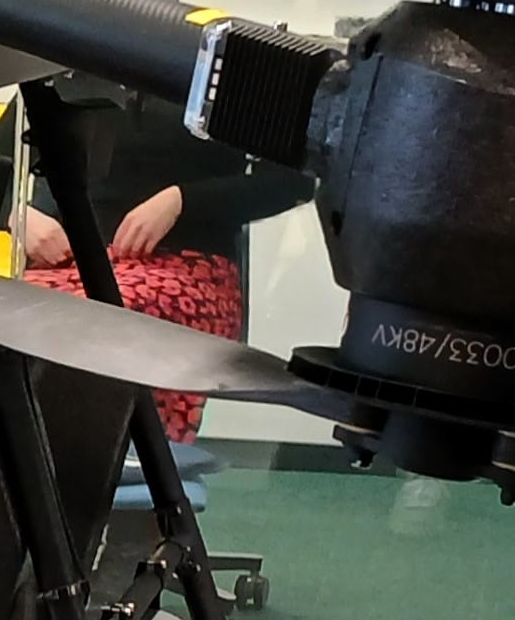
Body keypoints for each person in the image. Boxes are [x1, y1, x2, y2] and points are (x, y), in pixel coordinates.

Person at [16, 82, 312, 440]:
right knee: (1, 319)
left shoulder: (225, 78)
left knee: (99, 322)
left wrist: (181, 201)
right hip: (71, 262)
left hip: (188, 267)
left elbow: (291, 183)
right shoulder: (69, 69)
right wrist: (17, 213)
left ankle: (92, 453)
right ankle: (26, 451)